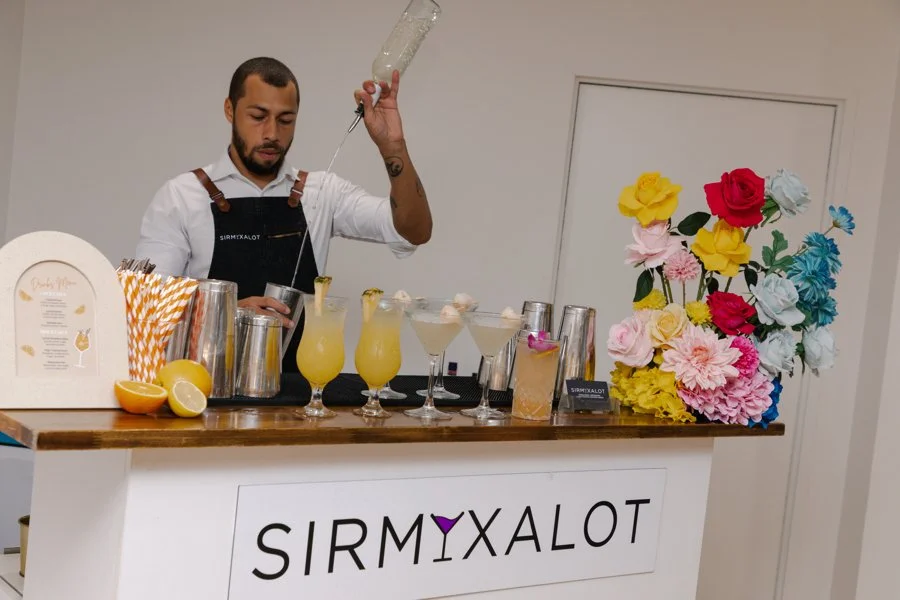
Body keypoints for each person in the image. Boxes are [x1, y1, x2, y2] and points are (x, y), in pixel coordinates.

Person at [135, 57, 432, 371]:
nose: (272, 133)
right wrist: (227, 313)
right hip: (206, 394)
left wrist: (392, 146)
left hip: (301, 397)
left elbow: (414, 230)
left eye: (286, 119)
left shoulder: (322, 192)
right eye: (258, 116)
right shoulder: (182, 196)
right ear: (229, 110)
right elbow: (148, 308)